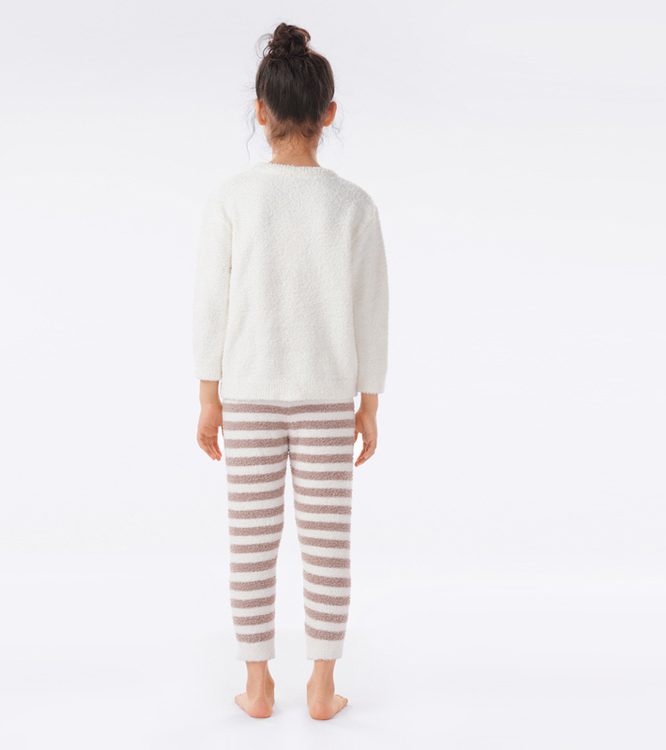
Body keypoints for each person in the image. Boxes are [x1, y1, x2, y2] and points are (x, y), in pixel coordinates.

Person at [192, 22, 389, 721]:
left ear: (260, 111)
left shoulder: (232, 198)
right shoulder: (353, 205)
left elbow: (211, 304)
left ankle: (257, 683)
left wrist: (209, 397)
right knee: (328, 545)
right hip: (327, 399)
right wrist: (369, 402)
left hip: (247, 397)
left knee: (250, 543)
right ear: (328, 114)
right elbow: (372, 310)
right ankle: (322, 685)